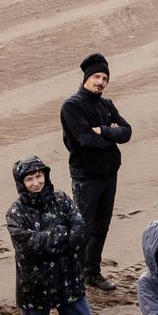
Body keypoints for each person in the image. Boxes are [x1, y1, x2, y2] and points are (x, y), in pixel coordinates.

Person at [5, 156, 117, 315]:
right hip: (34, 287)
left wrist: (50, 240)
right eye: (30, 178)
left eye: (39, 176)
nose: (36, 182)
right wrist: (60, 236)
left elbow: (80, 232)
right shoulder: (16, 212)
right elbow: (28, 246)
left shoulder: (62, 199)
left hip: (69, 280)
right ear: (21, 183)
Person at [60, 53, 132, 291]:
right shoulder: (72, 106)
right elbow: (84, 139)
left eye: (105, 78)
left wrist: (103, 130)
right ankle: (75, 276)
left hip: (109, 174)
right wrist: (111, 136)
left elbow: (127, 132)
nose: (101, 82)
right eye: (97, 77)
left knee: (102, 225)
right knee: (83, 228)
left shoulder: (106, 104)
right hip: (86, 176)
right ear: (86, 78)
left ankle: (92, 272)